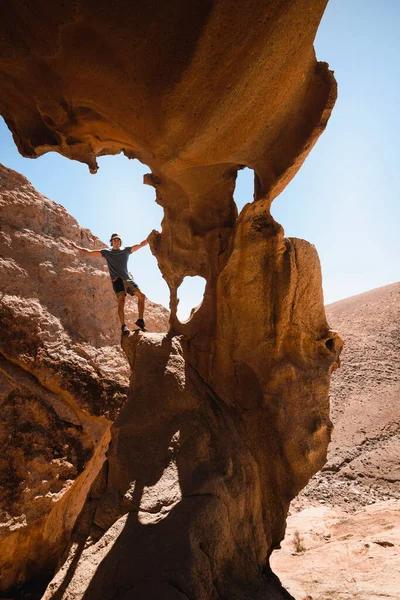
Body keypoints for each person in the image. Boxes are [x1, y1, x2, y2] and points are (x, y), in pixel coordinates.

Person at [68, 232, 148, 335]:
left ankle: (140, 320)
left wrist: (148, 240)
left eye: (118, 239)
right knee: (121, 301)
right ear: (111, 241)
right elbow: (89, 252)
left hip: (127, 279)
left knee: (141, 296)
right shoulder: (107, 252)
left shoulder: (126, 251)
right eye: (114, 239)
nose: (116, 241)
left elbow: (140, 244)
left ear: (120, 242)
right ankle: (123, 326)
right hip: (117, 280)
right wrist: (75, 247)